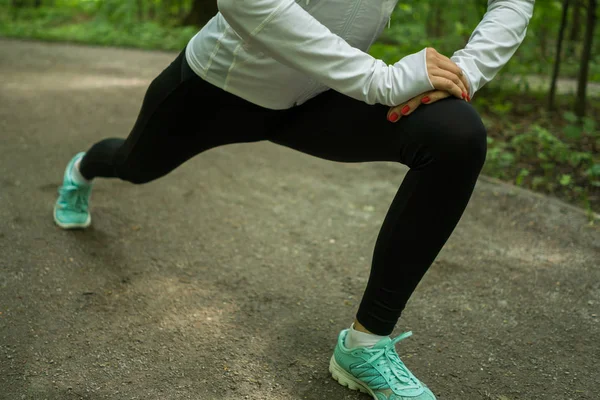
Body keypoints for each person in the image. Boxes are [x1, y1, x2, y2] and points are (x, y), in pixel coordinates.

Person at [53, 0, 535, 398]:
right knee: (134, 165)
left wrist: (465, 72)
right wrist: (378, 79)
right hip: (217, 90)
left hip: (317, 98)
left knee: (455, 134)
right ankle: (81, 169)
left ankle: (364, 344)